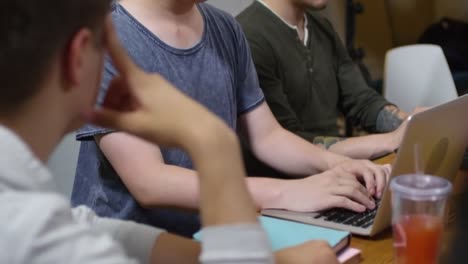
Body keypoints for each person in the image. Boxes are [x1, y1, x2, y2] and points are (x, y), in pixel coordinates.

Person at [0, 0, 339, 263]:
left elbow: (101, 231)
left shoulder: (33, 210)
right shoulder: (33, 236)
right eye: (105, 44)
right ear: (78, 58)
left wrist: (276, 260)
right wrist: (211, 141)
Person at [72, 0, 391, 237]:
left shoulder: (225, 29)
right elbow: (149, 181)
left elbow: (267, 137)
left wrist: (333, 164)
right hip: (126, 247)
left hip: (209, 238)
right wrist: (287, 193)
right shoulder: (111, 37)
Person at [236, 0, 419, 160]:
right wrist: (388, 141)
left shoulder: (322, 27)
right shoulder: (248, 36)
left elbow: (362, 101)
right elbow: (285, 141)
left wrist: (412, 124)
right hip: (290, 184)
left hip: (336, 168)